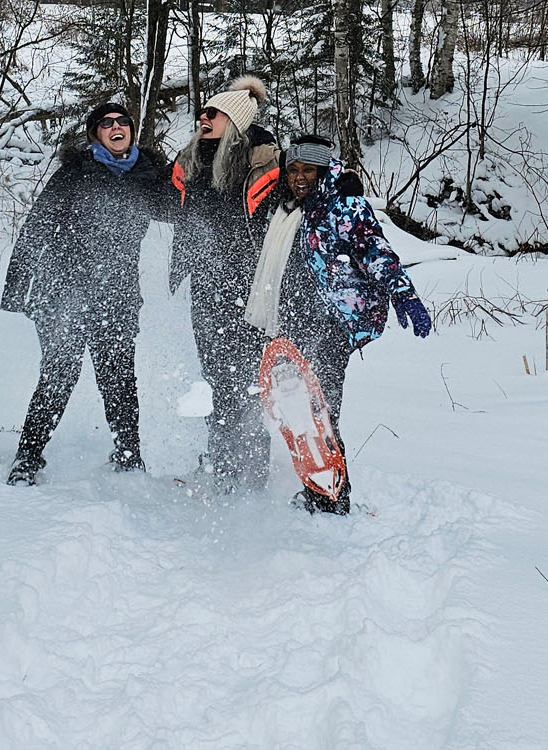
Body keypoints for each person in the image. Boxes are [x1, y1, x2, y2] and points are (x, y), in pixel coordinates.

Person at [245, 132, 432, 514]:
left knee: (321, 409)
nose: (299, 177)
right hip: (293, 320)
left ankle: (332, 500)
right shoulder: (286, 208)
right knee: (298, 407)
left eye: (308, 170)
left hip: (331, 321)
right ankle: (317, 490)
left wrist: (404, 294)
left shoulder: (343, 206)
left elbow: (376, 252)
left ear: (324, 170)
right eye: (293, 169)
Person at [2, 99, 172, 484]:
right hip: (64, 291)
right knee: (59, 374)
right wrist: (17, 288)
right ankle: (28, 456)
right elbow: (37, 227)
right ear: (96, 133)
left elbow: (183, 207)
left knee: (119, 378)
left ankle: (128, 456)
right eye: (106, 123)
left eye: (122, 121)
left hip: (118, 293)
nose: (116, 127)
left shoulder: (146, 176)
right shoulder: (75, 174)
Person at [169, 74, 279, 491]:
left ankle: (251, 467)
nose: (203, 117)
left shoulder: (262, 159)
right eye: (202, 112)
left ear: (233, 120)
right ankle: (220, 458)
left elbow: (303, 189)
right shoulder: (193, 158)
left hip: (248, 287)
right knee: (216, 375)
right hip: (204, 283)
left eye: (212, 113)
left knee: (248, 379)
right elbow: (161, 194)